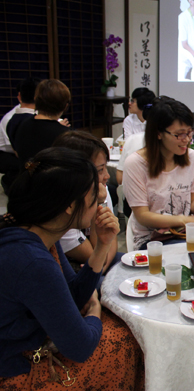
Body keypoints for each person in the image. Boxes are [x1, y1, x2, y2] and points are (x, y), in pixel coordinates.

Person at [0, 147, 145, 390]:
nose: (99, 200)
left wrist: (102, 246)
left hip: (32, 341)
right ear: (69, 205)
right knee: (128, 341)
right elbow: (80, 347)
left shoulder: (39, 230)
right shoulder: (32, 260)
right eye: (92, 197)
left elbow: (73, 295)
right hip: (16, 366)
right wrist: (94, 310)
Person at [123, 96, 194, 250]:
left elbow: (193, 203)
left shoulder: (191, 157)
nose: (187, 140)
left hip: (184, 232)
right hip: (152, 240)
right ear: (158, 133)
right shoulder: (136, 163)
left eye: (189, 132)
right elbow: (142, 216)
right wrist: (183, 220)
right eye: (179, 134)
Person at [52, 131, 123, 278]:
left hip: (96, 258)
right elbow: (92, 256)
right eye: (100, 170)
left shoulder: (99, 188)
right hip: (69, 263)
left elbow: (111, 237)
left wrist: (100, 269)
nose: (107, 176)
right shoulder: (62, 208)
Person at [13, 79, 71, 166]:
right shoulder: (65, 135)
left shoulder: (21, 124)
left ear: (36, 100)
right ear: (65, 106)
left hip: (25, 177)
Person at [0, 77, 40, 193]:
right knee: (31, 167)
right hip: (9, 154)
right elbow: (18, 150)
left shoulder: (35, 113)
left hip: (24, 152)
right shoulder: (11, 118)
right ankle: (10, 182)